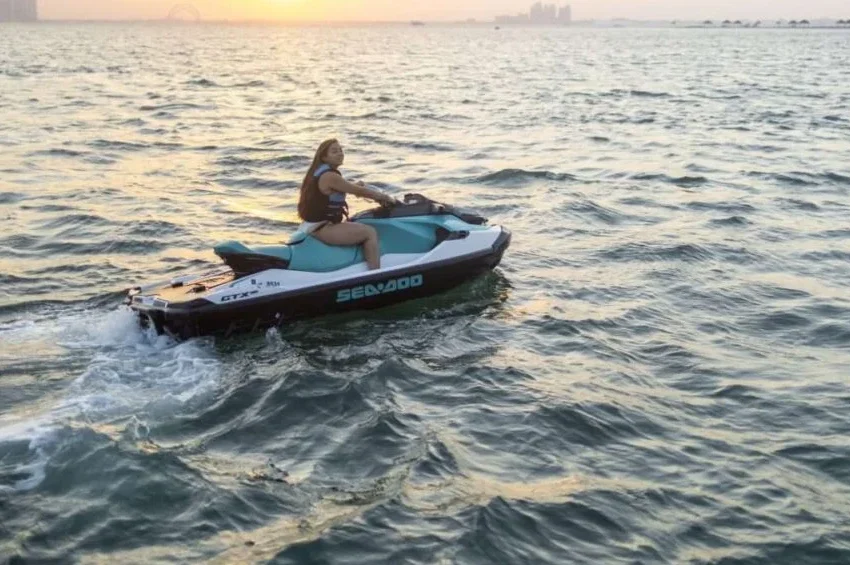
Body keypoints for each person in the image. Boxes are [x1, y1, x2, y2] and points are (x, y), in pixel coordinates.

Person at [297, 139, 396, 270]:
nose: (340, 153)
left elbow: (346, 187)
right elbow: (358, 191)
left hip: (313, 226)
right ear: (324, 157)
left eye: (341, 150)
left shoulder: (319, 172)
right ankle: (375, 275)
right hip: (322, 228)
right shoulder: (329, 176)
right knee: (370, 232)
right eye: (334, 151)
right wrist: (386, 198)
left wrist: (356, 186)